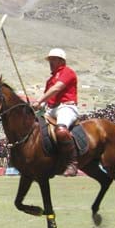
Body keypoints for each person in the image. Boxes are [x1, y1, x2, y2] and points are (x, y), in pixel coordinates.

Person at [31, 47, 79, 176]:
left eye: (53, 60)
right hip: (51, 110)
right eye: (49, 60)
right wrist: (36, 107)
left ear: (61, 61)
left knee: (61, 131)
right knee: (35, 129)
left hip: (66, 107)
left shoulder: (68, 72)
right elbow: (47, 99)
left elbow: (56, 89)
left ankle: (72, 163)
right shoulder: (50, 80)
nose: (50, 63)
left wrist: (39, 100)